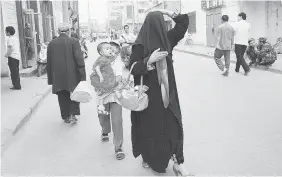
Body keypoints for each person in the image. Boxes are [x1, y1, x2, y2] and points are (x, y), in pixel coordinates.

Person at [129, 9, 190, 175]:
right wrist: (149, 60)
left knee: (173, 124)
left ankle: (178, 161)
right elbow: (133, 69)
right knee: (152, 128)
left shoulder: (167, 40)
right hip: (150, 96)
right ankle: (150, 157)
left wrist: (167, 11)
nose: (161, 27)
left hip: (168, 94)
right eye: (160, 23)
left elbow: (183, 23)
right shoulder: (139, 45)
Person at [91, 42, 125, 160]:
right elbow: (94, 77)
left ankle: (118, 147)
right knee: (103, 117)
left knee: (117, 121)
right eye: (111, 50)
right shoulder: (99, 62)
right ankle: (105, 131)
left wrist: (116, 83)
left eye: (116, 53)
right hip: (102, 96)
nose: (113, 54)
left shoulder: (118, 64)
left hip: (115, 96)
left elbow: (119, 77)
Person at [47, 23, 86, 124]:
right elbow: (79, 59)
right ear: (68, 31)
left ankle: (66, 116)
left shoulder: (51, 43)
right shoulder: (73, 41)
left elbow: (49, 62)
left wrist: (50, 78)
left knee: (62, 95)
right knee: (74, 93)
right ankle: (73, 114)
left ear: (58, 32)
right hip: (72, 74)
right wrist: (82, 75)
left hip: (58, 75)